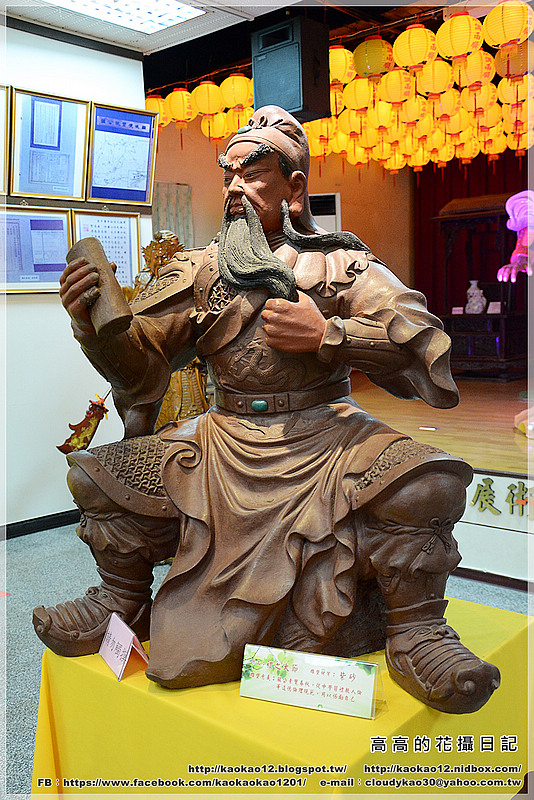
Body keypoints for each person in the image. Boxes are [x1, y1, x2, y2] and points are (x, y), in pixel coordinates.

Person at [33, 106, 500, 714]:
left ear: (294, 188)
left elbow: (425, 345)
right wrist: (93, 325)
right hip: (220, 440)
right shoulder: (200, 271)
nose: (234, 188)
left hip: (327, 436)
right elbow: (144, 363)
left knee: (429, 483)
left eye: (251, 175)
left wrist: (329, 334)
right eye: (228, 175)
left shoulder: (342, 266)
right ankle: (121, 600)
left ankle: (417, 629)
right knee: (96, 477)